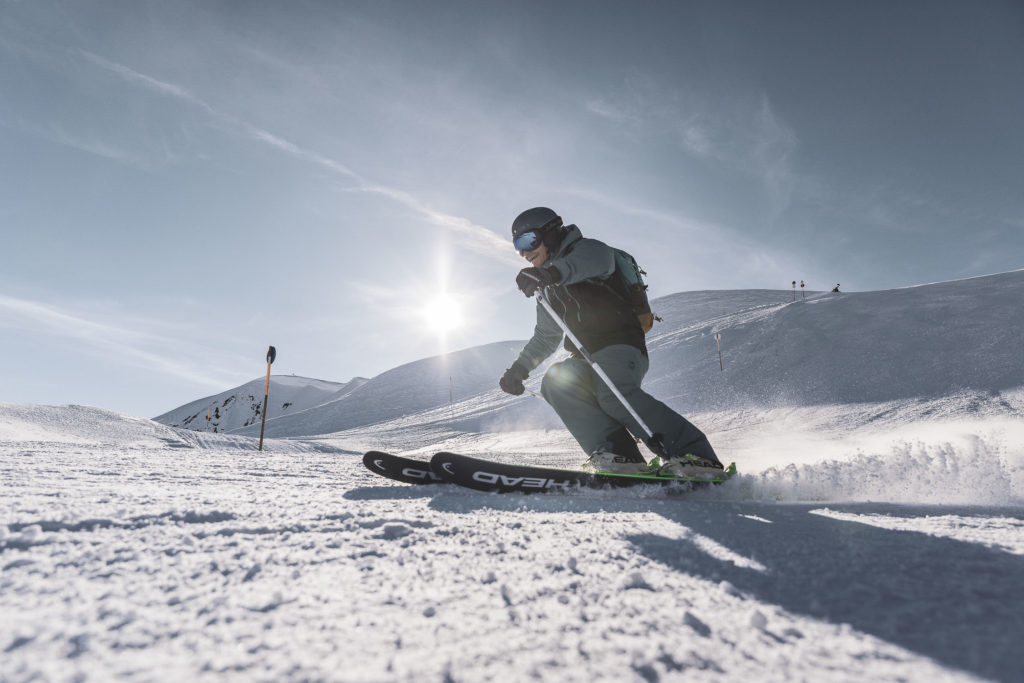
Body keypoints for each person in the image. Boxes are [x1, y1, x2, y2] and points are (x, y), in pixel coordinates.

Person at [497, 207, 723, 477]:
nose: (524, 252)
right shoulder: (546, 288)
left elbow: (593, 263)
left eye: (528, 241)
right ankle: (620, 455)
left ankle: (696, 455)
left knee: (612, 392)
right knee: (556, 382)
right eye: (517, 247)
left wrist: (551, 275)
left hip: (620, 344)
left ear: (551, 234)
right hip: (584, 355)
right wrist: (519, 369)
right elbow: (546, 336)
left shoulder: (588, 251)